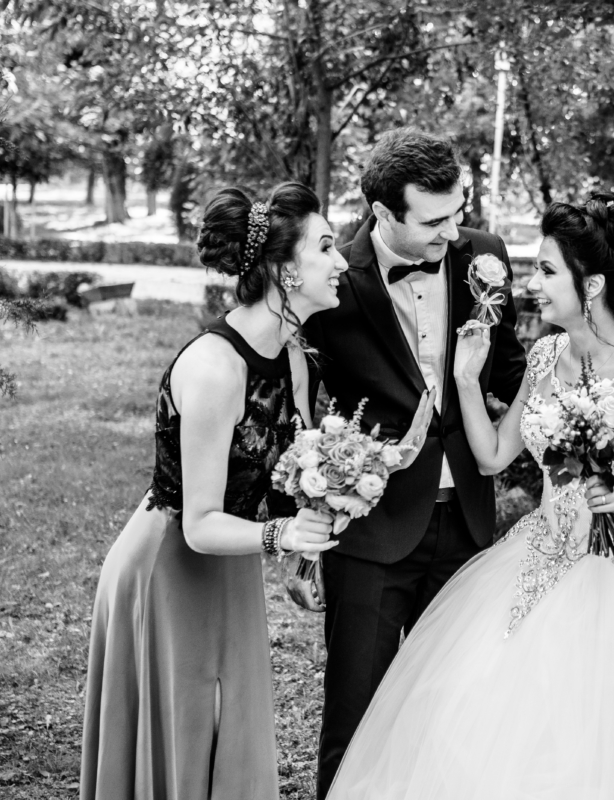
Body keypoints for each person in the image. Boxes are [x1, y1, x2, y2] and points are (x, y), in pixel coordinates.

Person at [327, 193, 614, 799]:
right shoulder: (546, 355)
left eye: (547, 271)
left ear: (592, 285)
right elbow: (492, 456)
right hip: (537, 559)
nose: (531, 284)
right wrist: (466, 380)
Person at [79, 181, 430, 799]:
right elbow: (199, 521)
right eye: (326, 247)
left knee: (232, 734)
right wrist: (283, 534)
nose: (341, 261)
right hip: (169, 568)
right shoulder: (214, 369)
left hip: (231, 566)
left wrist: (309, 542)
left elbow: (284, 474)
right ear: (285, 270)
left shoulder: (294, 357)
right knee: (189, 737)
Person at [300, 129, 526, 798]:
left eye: (458, 212)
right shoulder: (334, 280)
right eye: (433, 222)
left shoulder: (484, 255)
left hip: (466, 530)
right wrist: (304, 523)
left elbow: (512, 370)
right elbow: (296, 407)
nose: (452, 233)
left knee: (452, 715)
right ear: (383, 212)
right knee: (356, 717)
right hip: (370, 533)